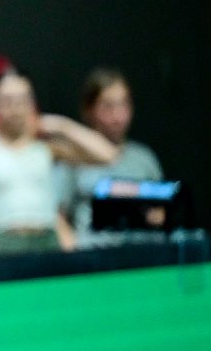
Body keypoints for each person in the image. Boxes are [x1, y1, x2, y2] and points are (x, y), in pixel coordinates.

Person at [0, 71, 117, 255]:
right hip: (5, 242)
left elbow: (107, 154)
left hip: (47, 239)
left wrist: (62, 126)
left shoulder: (46, 147)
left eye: (22, 100)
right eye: (7, 101)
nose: (15, 109)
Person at [58, 68, 167, 246]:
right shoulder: (73, 159)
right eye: (108, 106)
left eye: (124, 104)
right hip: (92, 252)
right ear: (89, 109)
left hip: (143, 253)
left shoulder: (144, 158)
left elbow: (162, 209)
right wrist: (70, 249)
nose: (118, 116)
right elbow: (58, 214)